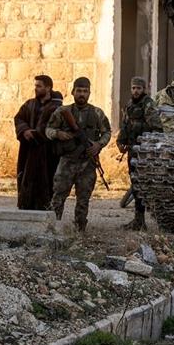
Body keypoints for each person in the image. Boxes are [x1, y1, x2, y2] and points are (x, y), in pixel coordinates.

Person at [46, 77, 111, 233]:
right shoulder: (63, 112)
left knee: (83, 200)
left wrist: (98, 145)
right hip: (67, 161)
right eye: (79, 91)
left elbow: (107, 132)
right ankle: (53, 229)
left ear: (89, 93)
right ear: (73, 92)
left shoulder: (97, 113)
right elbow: (48, 130)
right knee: (58, 197)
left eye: (85, 91)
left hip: (87, 163)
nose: (82, 94)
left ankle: (80, 231)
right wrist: (58, 134)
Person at [14, 75, 63, 210]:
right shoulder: (29, 104)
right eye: (35, 86)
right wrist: (24, 131)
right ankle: (26, 207)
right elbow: (18, 118)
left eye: (39, 86)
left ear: (48, 88)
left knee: (47, 181)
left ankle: (46, 210)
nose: (36, 89)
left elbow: (52, 127)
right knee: (26, 179)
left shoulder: (56, 108)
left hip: (48, 153)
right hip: (28, 151)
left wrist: (34, 134)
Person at [117, 76, 160, 230]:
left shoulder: (148, 104)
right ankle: (139, 220)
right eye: (134, 88)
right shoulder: (130, 104)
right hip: (133, 150)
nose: (136, 91)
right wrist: (120, 141)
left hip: (144, 152)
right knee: (135, 185)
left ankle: (143, 220)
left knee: (142, 185)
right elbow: (125, 124)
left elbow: (156, 127)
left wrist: (151, 148)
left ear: (144, 89)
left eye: (139, 88)